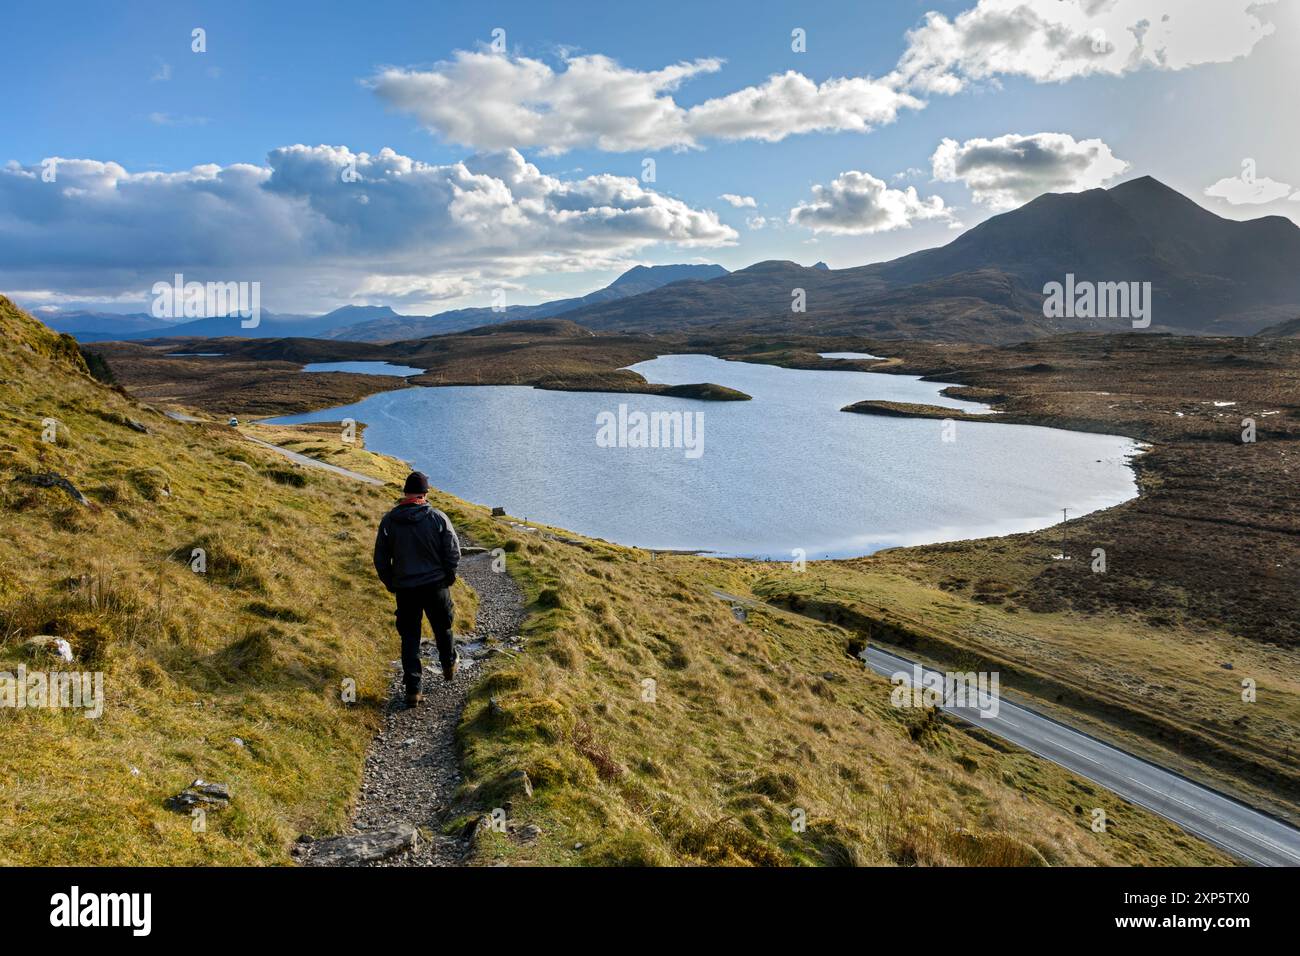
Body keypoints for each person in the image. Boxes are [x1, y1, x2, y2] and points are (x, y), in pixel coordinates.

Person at [373, 471, 461, 707]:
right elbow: (453, 551)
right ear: (425, 493)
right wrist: (448, 576)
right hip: (435, 586)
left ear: (405, 493)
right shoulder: (438, 518)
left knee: (410, 636)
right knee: (443, 627)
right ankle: (448, 664)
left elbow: (380, 558)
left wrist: (391, 582)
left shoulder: (389, 521)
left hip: (405, 589)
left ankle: (413, 690)